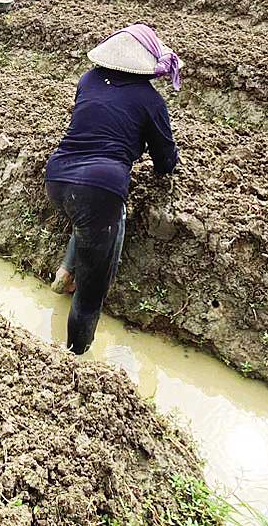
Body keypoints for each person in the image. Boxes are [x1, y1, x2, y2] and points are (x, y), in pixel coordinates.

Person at [45, 25, 181, 354]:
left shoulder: (88, 79)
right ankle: (74, 357)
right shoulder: (150, 99)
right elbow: (166, 160)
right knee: (92, 290)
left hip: (58, 176)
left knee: (98, 218)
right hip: (98, 187)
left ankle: (66, 271)